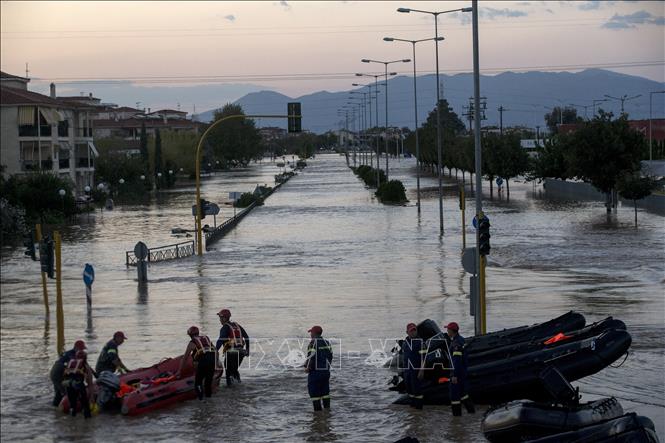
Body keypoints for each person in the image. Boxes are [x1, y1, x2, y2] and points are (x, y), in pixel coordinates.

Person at [176, 326, 218, 400]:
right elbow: (216, 351)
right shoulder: (206, 338)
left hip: (203, 363)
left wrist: (179, 371)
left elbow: (185, 358)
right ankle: (209, 400)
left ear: (190, 335)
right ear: (198, 333)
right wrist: (216, 363)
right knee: (208, 383)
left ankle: (201, 400)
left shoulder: (192, 343)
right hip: (212, 362)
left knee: (198, 383)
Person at [446, 322, 475, 416]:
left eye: (448, 330)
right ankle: (471, 412)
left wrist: (454, 375)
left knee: (454, 397)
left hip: (457, 373)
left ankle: (457, 419)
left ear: (451, 331)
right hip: (462, 371)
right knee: (463, 394)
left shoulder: (456, 343)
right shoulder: (461, 339)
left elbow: (456, 360)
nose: (447, 331)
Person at [215, 309, 249, 386]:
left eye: (220, 318)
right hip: (241, 353)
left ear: (225, 318)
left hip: (231, 353)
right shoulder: (237, 326)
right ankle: (238, 385)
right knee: (234, 370)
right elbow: (247, 337)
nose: (220, 320)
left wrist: (215, 350)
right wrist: (248, 350)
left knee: (228, 372)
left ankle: (230, 389)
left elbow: (220, 340)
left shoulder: (225, 328)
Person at [304, 325, 333, 411]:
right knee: (325, 393)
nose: (310, 334)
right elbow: (331, 356)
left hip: (315, 373)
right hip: (325, 372)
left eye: (311, 332)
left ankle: (318, 415)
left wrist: (307, 367)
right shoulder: (327, 342)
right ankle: (327, 413)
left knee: (314, 394)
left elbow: (311, 357)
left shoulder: (313, 343)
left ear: (314, 333)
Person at [50, 340, 87, 407]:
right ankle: (62, 408)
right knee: (64, 391)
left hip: (55, 371)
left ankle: (55, 409)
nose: (83, 351)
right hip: (58, 372)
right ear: (76, 348)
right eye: (81, 349)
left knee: (59, 391)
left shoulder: (70, 353)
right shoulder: (72, 356)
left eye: (83, 350)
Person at [62, 350, 94, 419]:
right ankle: (88, 422)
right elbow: (90, 383)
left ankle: (72, 421)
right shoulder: (85, 366)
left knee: (73, 405)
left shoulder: (70, 363)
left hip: (67, 384)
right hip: (77, 384)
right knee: (85, 405)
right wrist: (91, 397)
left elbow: (64, 375)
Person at [403, 323, 426, 409]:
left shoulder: (420, 342)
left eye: (414, 330)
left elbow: (424, 358)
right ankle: (413, 412)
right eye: (411, 331)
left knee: (417, 392)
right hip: (407, 371)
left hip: (416, 371)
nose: (413, 332)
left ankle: (419, 412)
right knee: (410, 391)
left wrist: (422, 370)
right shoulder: (405, 342)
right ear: (407, 332)